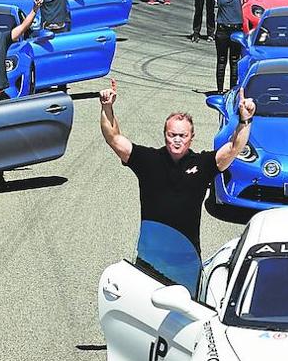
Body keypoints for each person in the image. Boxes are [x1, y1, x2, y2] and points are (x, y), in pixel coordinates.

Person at [99, 79, 256, 255]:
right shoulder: (148, 160)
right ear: (165, 135)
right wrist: (107, 107)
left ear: (191, 137)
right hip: (150, 254)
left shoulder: (203, 164)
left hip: (187, 257)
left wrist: (245, 120)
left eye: (182, 135)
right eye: (172, 134)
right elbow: (114, 138)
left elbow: (234, 147)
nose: (177, 139)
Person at [210, 0, 247, 94]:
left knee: (234, 61)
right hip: (222, 31)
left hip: (236, 30)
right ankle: (219, 90)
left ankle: (232, 90)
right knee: (221, 60)